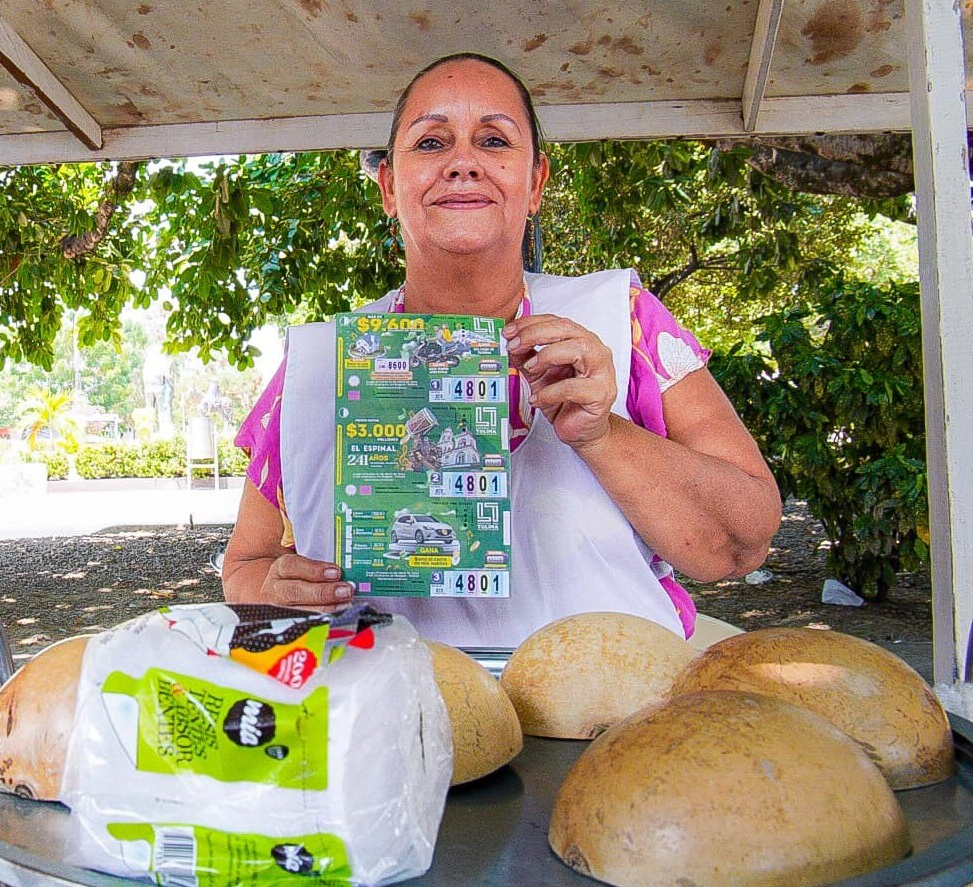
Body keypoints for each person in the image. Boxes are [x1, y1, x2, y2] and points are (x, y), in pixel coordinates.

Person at [222, 53, 782, 647]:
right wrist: (276, 589)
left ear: (535, 182)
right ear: (389, 187)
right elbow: (244, 569)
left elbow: (742, 543)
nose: (463, 163)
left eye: (493, 140)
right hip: (389, 718)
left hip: (601, 724)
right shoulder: (319, 366)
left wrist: (603, 435)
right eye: (432, 144)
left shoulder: (625, 324)